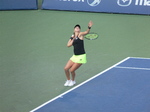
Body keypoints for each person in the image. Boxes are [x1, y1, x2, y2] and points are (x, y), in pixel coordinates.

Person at [64, 21, 93, 86]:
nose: (77, 28)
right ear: (74, 29)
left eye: (78, 28)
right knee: (66, 69)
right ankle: (68, 80)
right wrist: (71, 38)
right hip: (75, 56)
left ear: (79, 30)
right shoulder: (73, 38)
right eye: (76, 27)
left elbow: (87, 32)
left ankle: (73, 81)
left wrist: (89, 27)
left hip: (81, 56)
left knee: (71, 70)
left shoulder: (80, 35)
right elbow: (68, 45)